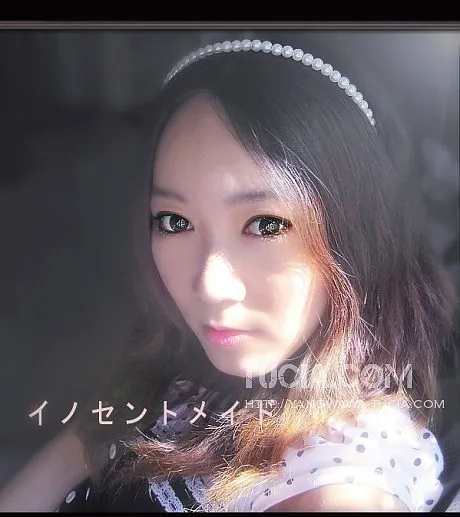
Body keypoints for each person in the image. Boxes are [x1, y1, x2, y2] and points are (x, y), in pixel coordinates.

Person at [0, 36, 456, 513]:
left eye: (265, 224)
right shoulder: (183, 355)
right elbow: (78, 446)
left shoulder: (337, 484)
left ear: (358, 236)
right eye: (175, 221)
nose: (209, 287)